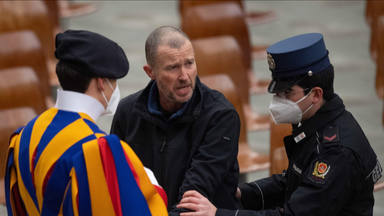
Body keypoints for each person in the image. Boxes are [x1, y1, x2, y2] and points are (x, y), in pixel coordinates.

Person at [176, 33, 383, 216]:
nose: (278, 101)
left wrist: (217, 214)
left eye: (287, 93)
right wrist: (242, 193)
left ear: (316, 94)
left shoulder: (336, 151)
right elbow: (293, 181)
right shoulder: (315, 124)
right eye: (277, 93)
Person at [4, 30, 168, 216]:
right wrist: (152, 185)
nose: (115, 89)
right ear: (101, 83)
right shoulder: (97, 151)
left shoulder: (25, 134)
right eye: (113, 81)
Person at [110, 26, 240, 214]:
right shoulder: (128, 113)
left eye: (189, 63)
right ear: (150, 72)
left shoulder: (220, 116)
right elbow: (118, 182)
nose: (184, 76)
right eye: (173, 67)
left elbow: (194, 197)